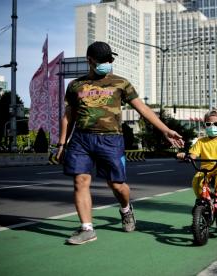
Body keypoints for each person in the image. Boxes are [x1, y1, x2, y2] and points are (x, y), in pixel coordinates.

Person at [56, 41, 184, 245]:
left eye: (110, 59)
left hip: (111, 139)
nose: (108, 63)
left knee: (116, 185)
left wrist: (165, 130)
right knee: (80, 181)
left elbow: (143, 108)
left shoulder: (120, 83)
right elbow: (68, 117)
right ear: (90, 61)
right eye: (104, 60)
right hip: (81, 139)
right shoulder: (75, 86)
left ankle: (126, 209)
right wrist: (61, 144)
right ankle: (87, 229)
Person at [177, 110, 217, 224]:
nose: (212, 127)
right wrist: (185, 156)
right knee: (196, 181)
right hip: (206, 168)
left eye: (215, 124)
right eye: (208, 124)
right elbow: (193, 154)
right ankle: (202, 202)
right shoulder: (201, 141)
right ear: (205, 126)